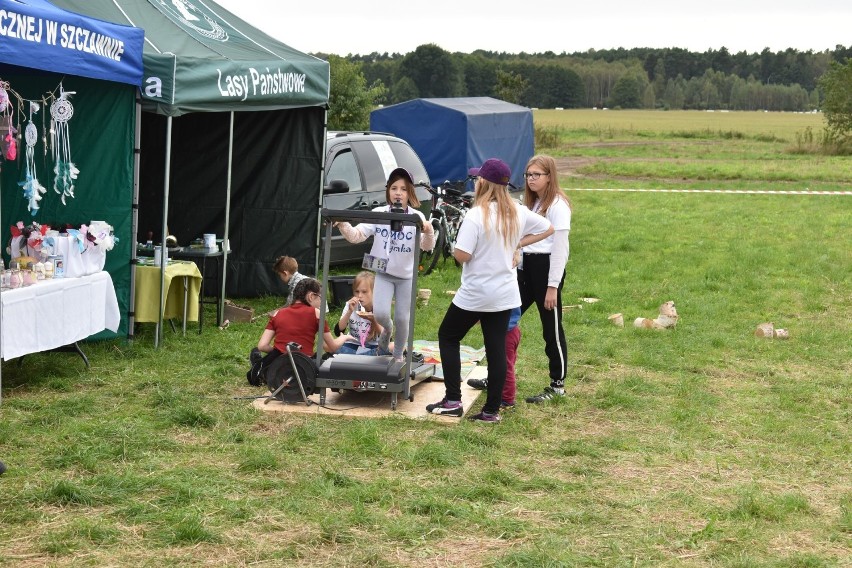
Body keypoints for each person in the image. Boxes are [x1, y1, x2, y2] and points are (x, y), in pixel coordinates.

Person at [426, 158, 553, 422]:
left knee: (448, 336)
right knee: (495, 350)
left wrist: (457, 248)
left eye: (478, 178)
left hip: (476, 292)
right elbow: (548, 228)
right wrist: (518, 244)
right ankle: (492, 411)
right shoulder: (517, 211)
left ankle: (452, 400)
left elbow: (462, 255)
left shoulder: (476, 215)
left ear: (484, 182)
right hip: (505, 294)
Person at [334, 167, 435, 361]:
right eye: (394, 188)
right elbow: (356, 236)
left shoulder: (416, 216)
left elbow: (426, 246)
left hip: (406, 276)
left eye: (404, 189)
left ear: (410, 193)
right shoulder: (379, 213)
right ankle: (387, 331)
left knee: (402, 319)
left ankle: (397, 356)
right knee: (380, 314)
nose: (398, 193)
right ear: (388, 191)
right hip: (384, 273)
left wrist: (429, 230)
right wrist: (342, 223)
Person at [517, 154, 572, 403]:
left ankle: (557, 384)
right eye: (528, 175)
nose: (531, 179)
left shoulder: (558, 206)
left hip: (546, 269)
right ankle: (498, 373)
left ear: (550, 177)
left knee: (551, 328)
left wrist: (552, 287)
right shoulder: (532, 204)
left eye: (536, 175)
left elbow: (560, 249)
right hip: (525, 268)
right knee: (503, 318)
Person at [247, 277, 343, 385]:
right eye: (321, 298)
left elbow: (262, 346)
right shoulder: (317, 314)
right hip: (303, 365)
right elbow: (333, 346)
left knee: (261, 355)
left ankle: (258, 363)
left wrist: (280, 351)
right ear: (311, 296)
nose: (321, 302)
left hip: (279, 364)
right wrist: (345, 337)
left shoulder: (278, 313)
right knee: (325, 358)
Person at [466, 305, 521, 410]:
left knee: (504, 366)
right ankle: (494, 384)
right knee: (507, 363)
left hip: (504, 332)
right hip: (512, 330)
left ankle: (507, 401)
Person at [335, 271, 383, 356]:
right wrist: (349, 312)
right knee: (330, 345)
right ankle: (366, 358)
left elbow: (386, 338)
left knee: (391, 348)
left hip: (375, 346)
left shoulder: (381, 307)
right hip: (353, 344)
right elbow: (338, 332)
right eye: (357, 291)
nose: (360, 295)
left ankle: (356, 358)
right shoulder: (350, 305)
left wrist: (374, 320)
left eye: (364, 292)